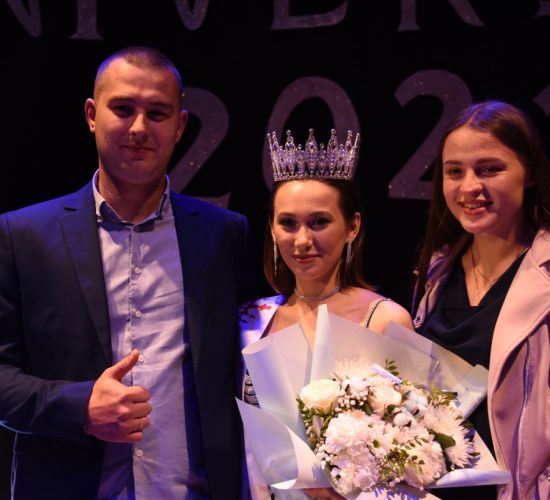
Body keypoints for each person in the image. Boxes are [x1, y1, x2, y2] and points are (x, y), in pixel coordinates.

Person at [0, 46, 258, 499]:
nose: (139, 128)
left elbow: (251, 369)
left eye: (157, 113)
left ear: (180, 126)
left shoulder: (224, 236)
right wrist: (80, 407)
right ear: (91, 114)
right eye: (123, 109)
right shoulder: (23, 236)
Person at [238, 129, 414, 500]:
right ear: (272, 228)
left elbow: (415, 448)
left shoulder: (385, 320)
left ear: (352, 226)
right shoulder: (251, 321)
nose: (302, 240)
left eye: (319, 222)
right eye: (288, 223)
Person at [411, 100, 550, 499]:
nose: (469, 187)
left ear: (529, 173)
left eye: (490, 169)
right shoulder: (435, 272)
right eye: (455, 171)